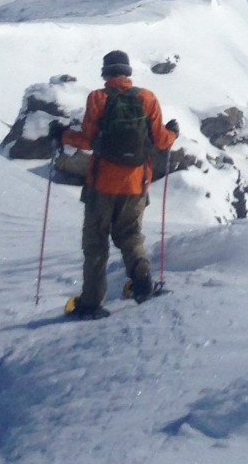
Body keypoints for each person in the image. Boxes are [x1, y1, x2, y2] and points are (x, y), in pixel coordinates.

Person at [51, 50, 178, 319]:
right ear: (127, 72)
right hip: (136, 183)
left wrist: (62, 135)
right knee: (130, 236)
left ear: (106, 73)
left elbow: (87, 140)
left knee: (96, 243)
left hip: (102, 183)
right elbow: (161, 141)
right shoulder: (147, 98)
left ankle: (91, 303)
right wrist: (173, 132)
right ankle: (142, 285)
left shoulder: (98, 98)